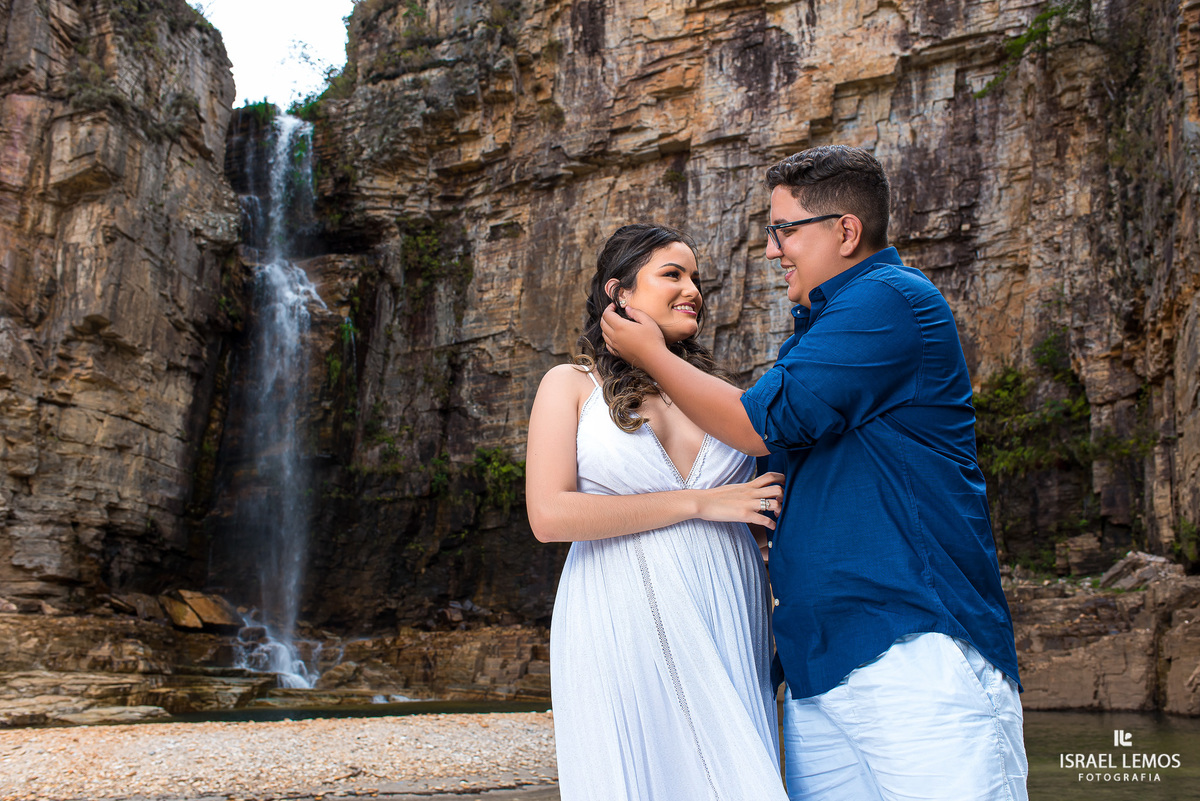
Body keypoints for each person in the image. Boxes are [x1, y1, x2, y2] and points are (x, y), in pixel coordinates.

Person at [601, 147, 1028, 801]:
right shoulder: (817, 333)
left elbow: (753, 425)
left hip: (910, 645)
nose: (773, 251)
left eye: (784, 230)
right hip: (817, 665)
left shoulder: (890, 300)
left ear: (845, 231)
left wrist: (651, 354)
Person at [526, 223, 790, 801]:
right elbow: (549, 515)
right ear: (618, 293)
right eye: (672, 274)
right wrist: (701, 502)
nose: (692, 287)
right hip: (618, 605)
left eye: (695, 276)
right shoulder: (570, 385)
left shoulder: (715, 391)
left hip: (727, 598)